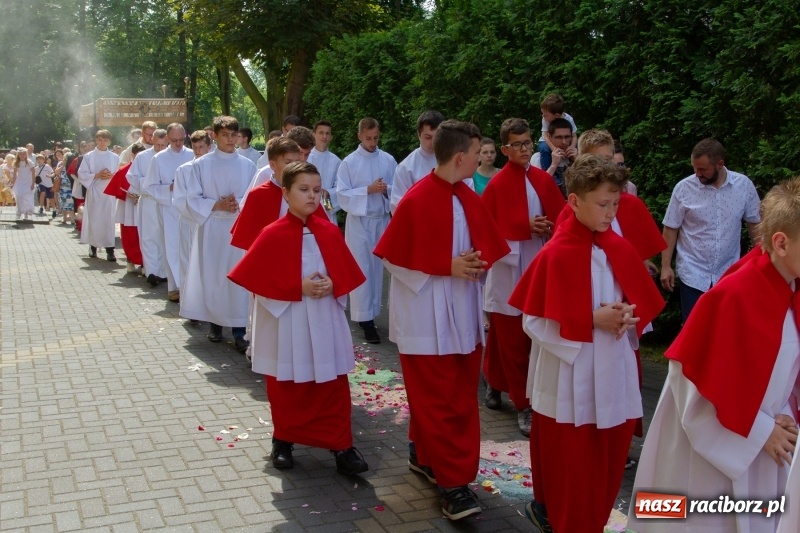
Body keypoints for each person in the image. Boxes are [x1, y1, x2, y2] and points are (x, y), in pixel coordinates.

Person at [628, 178, 800, 533]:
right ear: (781, 243)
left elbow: (785, 367)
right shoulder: (733, 296)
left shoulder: (791, 286)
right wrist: (761, 431)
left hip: (766, 441)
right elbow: (691, 383)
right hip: (713, 450)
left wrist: (783, 413)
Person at [509, 154, 664, 533]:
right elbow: (533, 320)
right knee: (573, 470)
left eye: (615, 204)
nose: (611, 212)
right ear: (574, 202)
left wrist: (628, 319)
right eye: (602, 204)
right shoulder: (555, 253)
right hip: (569, 376)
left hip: (613, 371)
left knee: (607, 466)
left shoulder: (620, 249)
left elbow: (638, 312)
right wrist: (591, 319)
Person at [374, 120, 510, 521]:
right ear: (460, 156)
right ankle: (453, 485)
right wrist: (446, 266)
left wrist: (473, 264)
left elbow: (484, 247)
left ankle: (421, 451)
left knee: (454, 394)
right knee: (439, 399)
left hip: (462, 312)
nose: (483, 154)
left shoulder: (466, 196)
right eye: (476, 149)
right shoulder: (417, 199)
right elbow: (394, 258)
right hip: (424, 316)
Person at [228, 160, 370, 476]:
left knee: (331, 384)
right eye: (303, 190)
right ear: (286, 193)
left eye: (317, 190)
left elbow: (345, 274)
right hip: (287, 320)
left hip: (324, 319)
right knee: (287, 383)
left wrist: (335, 284)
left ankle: (342, 446)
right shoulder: (271, 234)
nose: (311, 196)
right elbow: (258, 282)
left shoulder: (330, 231)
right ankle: (284, 440)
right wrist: (298, 286)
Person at [480, 118, 565, 435]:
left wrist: (550, 228)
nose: (525, 149)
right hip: (506, 273)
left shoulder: (543, 181)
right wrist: (523, 228)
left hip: (535, 266)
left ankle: (494, 381)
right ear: (504, 149)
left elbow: (563, 219)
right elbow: (484, 231)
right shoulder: (497, 185)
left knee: (521, 339)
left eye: (528, 143)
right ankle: (523, 405)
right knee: (510, 339)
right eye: (517, 144)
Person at [660, 138, 761, 322]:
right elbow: (670, 228)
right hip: (693, 273)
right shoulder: (684, 188)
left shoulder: (743, 186)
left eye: (702, 169)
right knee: (694, 334)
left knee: (725, 332)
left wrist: (761, 261)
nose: (697, 174)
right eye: (694, 168)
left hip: (729, 274)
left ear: (720, 164)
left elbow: (755, 224)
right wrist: (666, 266)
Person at [180, 116, 254, 351]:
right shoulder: (201, 165)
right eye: (225, 135)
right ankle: (215, 324)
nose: (231, 140)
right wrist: (217, 205)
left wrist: (238, 205)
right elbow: (192, 197)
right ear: (215, 136)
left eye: (234, 135)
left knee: (237, 279)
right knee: (213, 276)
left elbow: (253, 194)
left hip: (238, 228)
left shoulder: (248, 165)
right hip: (212, 227)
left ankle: (240, 329)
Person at [336, 117, 397, 344]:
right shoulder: (349, 163)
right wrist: (367, 190)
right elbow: (342, 194)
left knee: (378, 269)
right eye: (368, 138)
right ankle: (365, 320)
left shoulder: (388, 160)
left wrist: (384, 190)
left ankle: (374, 312)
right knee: (362, 268)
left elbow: (398, 189)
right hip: (360, 222)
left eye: (376, 138)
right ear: (359, 135)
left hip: (381, 220)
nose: (372, 142)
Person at [231, 137, 326, 251]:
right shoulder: (258, 195)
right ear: (273, 165)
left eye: (297, 162)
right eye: (288, 162)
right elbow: (250, 244)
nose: (294, 168)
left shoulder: (307, 191)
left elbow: (323, 231)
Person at [142, 123, 193, 302]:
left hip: (189, 209)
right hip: (168, 208)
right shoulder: (159, 159)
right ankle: (174, 287)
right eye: (174, 140)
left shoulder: (193, 155)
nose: (178, 144)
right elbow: (149, 186)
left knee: (190, 247)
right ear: (168, 139)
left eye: (181, 140)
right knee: (171, 247)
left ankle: (190, 287)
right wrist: (168, 188)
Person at [173, 130, 212, 311]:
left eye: (201, 147)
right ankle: (190, 306)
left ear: (209, 147)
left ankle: (208, 305)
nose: (197, 151)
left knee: (208, 265)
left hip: (211, 223)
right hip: (189, 222)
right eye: (195, 147)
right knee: (188, 262)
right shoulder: (184, 169)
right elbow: (179, 199)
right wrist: (198, 212)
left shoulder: (213, 168)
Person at [127, 129, 169, 286]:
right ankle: (152, 271)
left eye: (164, 145)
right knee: (149, 237)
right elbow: (131, 176)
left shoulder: (173, 157)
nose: (160, 148)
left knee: (165, 237)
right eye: (158, 145)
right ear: (152, 140)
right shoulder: (143, 157)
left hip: (167, 202)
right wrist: (147, 185)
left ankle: (164, 272)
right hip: (149, 201)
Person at [389, 110, 445, 213]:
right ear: (419, 135)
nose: (433, 142)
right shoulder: (406, 167)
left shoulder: (452, 160)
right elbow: (398, 206)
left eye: (437, 136)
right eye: (428, 137)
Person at [78, 130, 120, 262]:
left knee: (108, 220)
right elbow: (82, 174)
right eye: (100, 140)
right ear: (96, 140)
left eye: (105, 140)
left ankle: (110, 250)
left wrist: (111, 176)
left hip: (109, 192)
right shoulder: (89, 156)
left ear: (109, 141)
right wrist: (97, 175)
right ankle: (93, 247)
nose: (102, 143)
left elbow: (119, 174)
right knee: (95, 220)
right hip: (95, 191)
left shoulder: (114, 157)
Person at [105, 143, 146, 272]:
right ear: (132, 155)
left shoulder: (149, 169)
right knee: (129, 235)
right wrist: (128, 195)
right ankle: (130, 260)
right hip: (128, 207)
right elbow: (116, 188)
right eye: (137, 155)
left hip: (144, 207)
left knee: (144, 235)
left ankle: (145, 262)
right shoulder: (124, 170)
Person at [308, 120, 342, 224]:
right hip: (308, 205)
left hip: (327, 208)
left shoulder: (336, 161)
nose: (324, 136)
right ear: (314, 135)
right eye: (321, 133)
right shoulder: (306, 157)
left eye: (327, 133)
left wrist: (328, 193)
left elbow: (341, 186)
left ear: (331, 137)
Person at [537, 93, 578, 173]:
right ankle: (548, 172)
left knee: (578, 148)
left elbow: (574, 136)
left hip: (565, 143)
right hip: (546, 141)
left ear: (556, 115)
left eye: (546, 115)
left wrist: (572, 147)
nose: (543, 116)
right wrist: (554, 149)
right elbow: (545, 136)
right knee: (545, 149)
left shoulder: (569, 119)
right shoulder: (545, 119)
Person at [536, 117, 577, 197]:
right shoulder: (538, 158)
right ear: (549, 137)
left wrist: (578, 161)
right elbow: (537, 191)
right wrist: (553, 165)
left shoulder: (579, 155)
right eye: (559, 137)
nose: (564, 142)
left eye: (567, 137)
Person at [11, 148, 36, 220]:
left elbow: (33, 174)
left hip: (28, 181)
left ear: (26, 155)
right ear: (18, 155)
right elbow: (15, 174)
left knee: (26, 197)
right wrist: (13, 183)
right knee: (18, 196)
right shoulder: (16, 163)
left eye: (24, 154)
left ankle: (26, 213)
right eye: (20, 154)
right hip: (20, 181)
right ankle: (18, 212)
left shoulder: (30, 162)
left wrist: (33, 183)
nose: (22, 156)